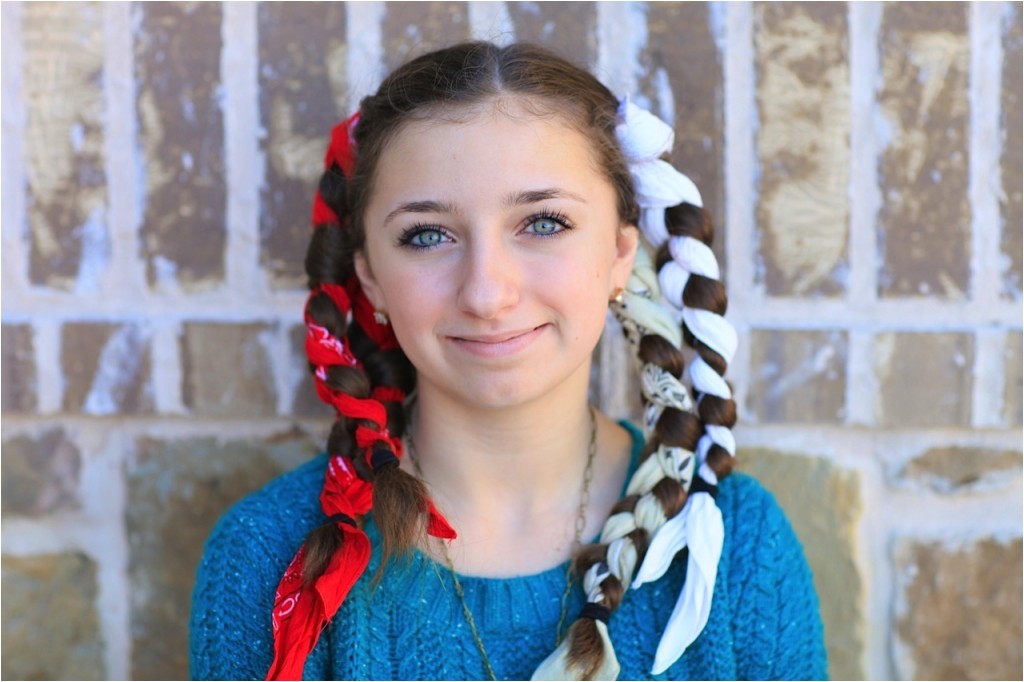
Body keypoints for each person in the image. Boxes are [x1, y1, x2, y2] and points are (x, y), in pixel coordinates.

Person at [189, 41, 827, 681]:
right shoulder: (268, 558)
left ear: (618, 254)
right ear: (371, 279)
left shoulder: (739, 551)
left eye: (543, 223)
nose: (487, 293)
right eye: (428, 235)